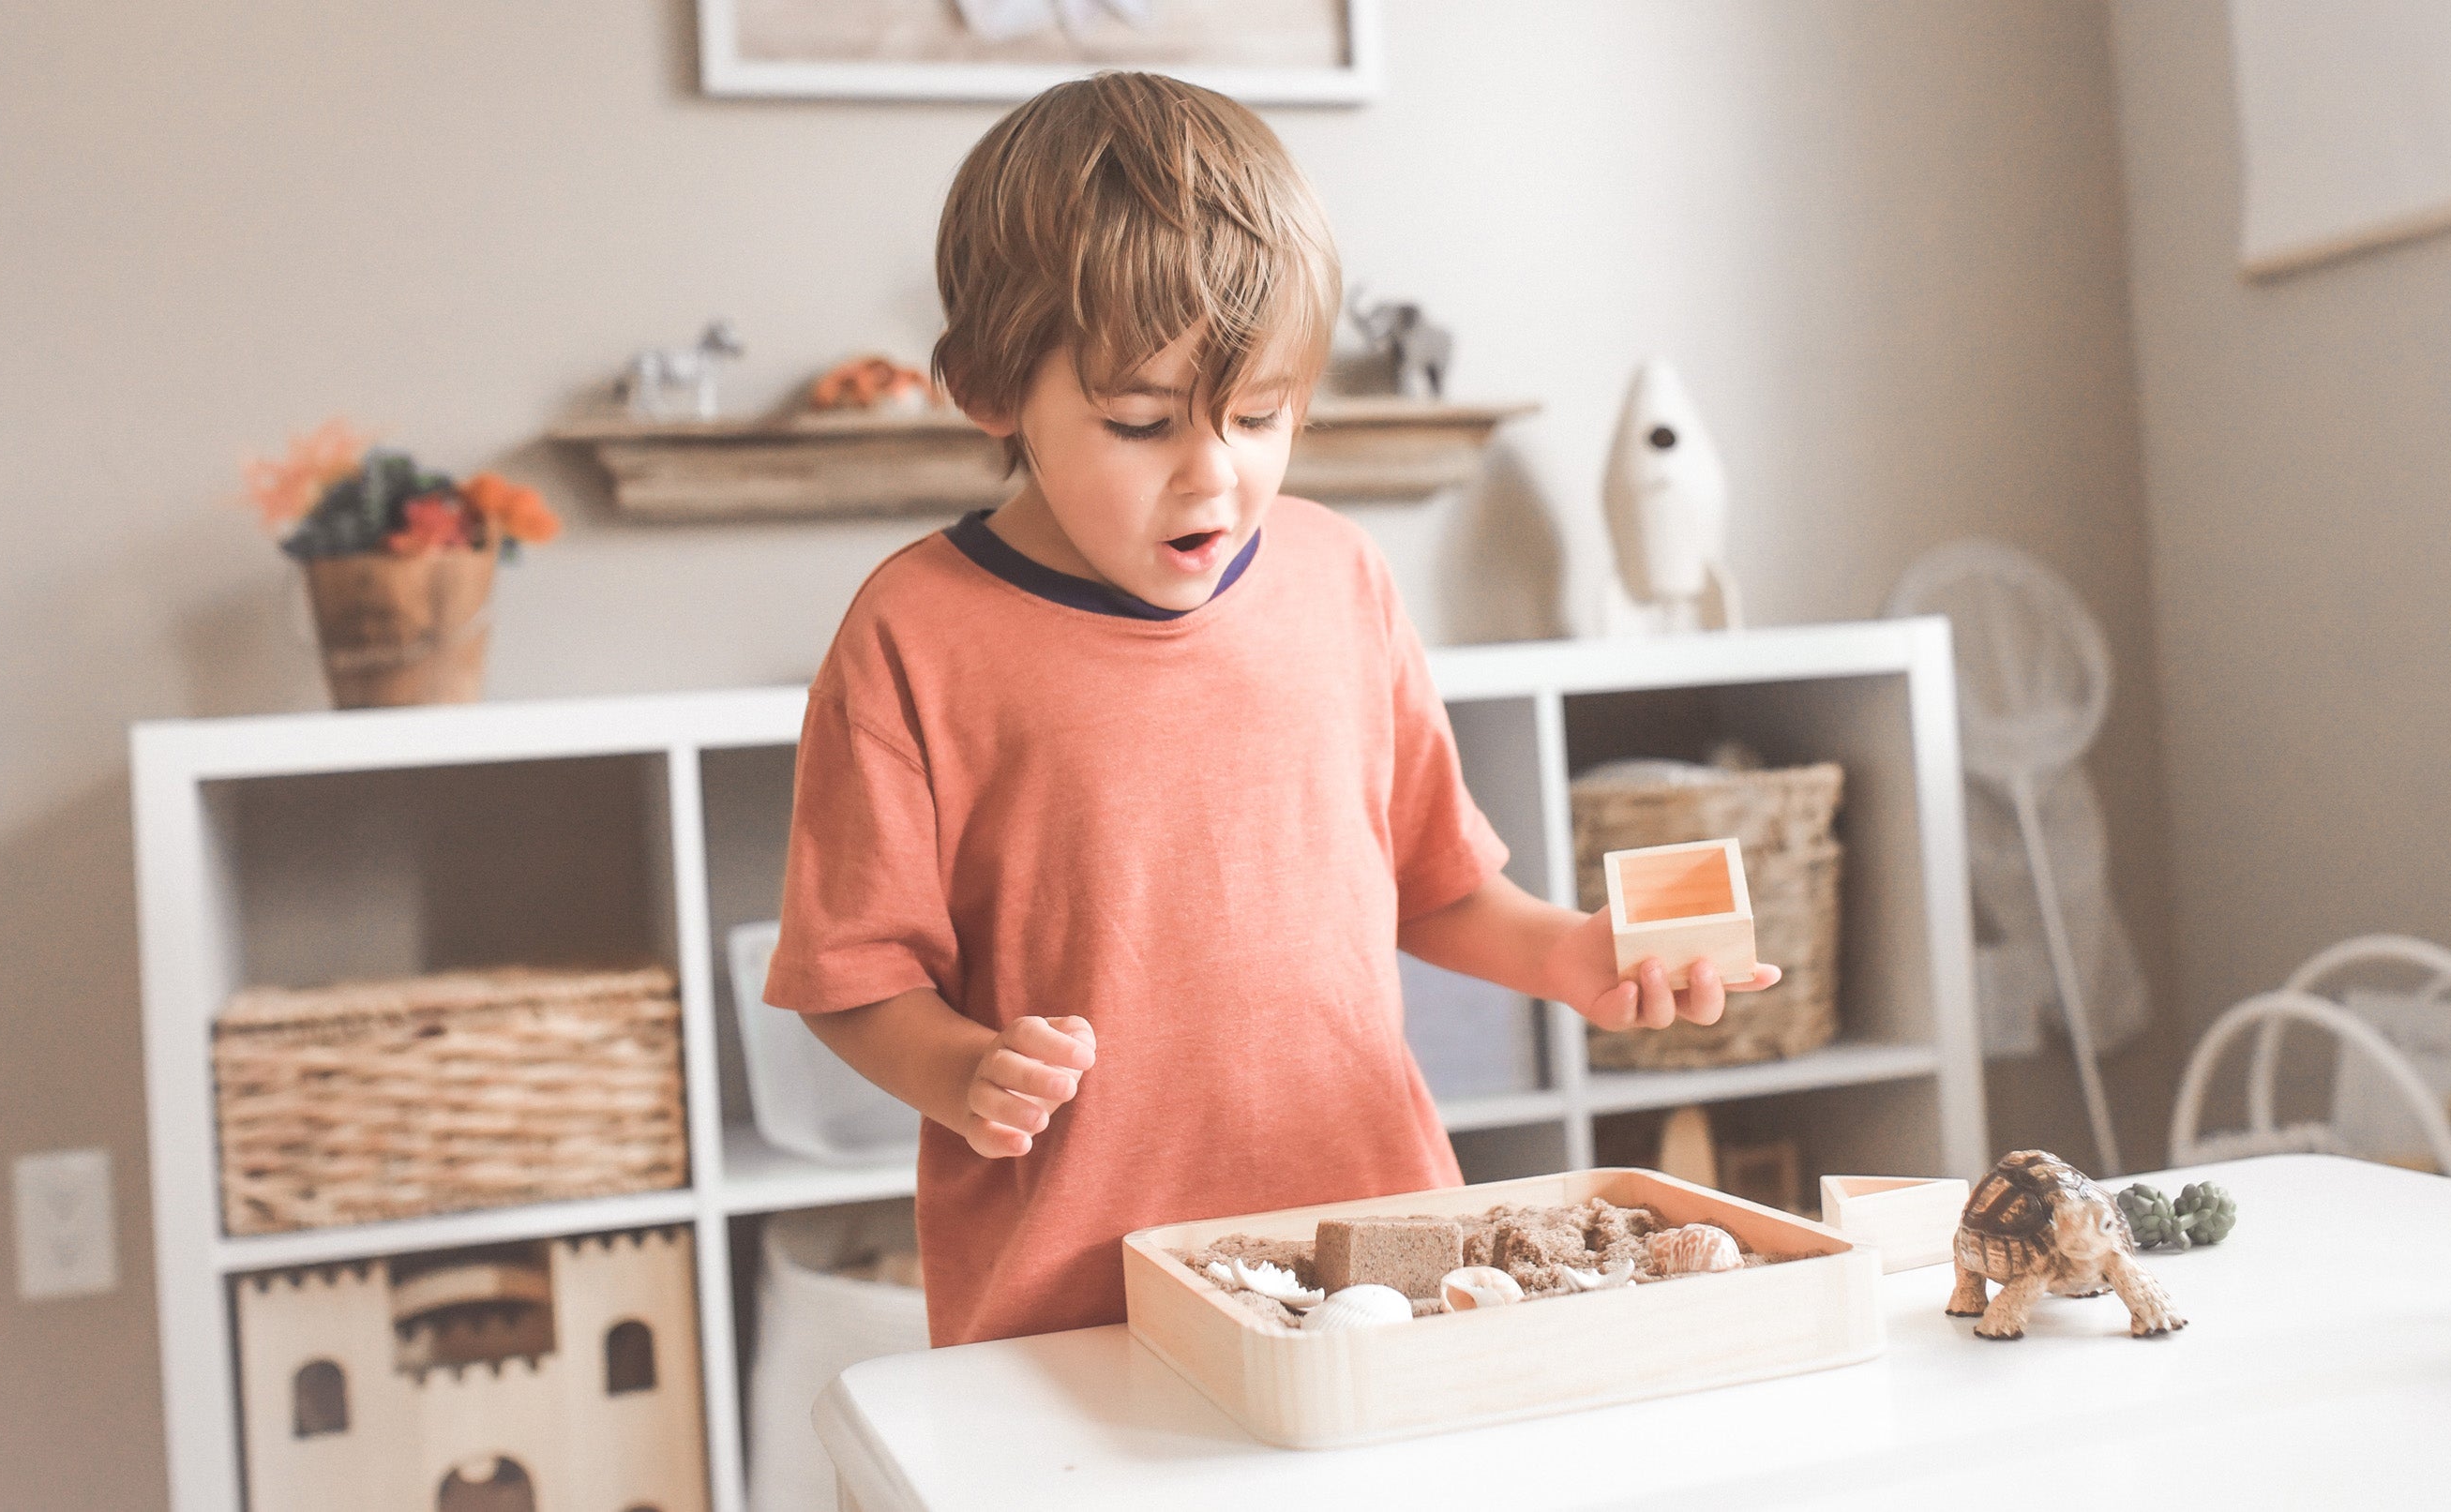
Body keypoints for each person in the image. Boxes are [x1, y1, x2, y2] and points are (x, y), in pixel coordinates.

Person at [762, 70, 1780, 1347]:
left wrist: (1567, 956)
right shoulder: (913, 633)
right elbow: (849, 975)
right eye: (1139, 423)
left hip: (1377, 1252)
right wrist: (961, 1071)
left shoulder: (1340, 576)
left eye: (1259, 416)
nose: (1213, 475)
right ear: (989, 389)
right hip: (1076, 1296)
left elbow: (1432, 883)